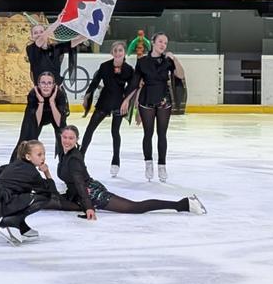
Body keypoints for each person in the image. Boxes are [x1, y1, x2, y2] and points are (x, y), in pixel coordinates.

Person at [54, 126, 206, 218]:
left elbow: (80, 184)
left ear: (76, 139)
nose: (67, 141)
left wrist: (88, 207)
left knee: (134, 207)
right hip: (77, 195)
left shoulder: (74, 159)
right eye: (65, 137)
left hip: (91, 194)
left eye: (71, 138)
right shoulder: (63, 152)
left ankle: (184, 204)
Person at [126, 33, 185, 182]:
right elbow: (134, 83)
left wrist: (175, 59)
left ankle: (162, 165)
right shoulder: (142, 61)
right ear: (152, 42)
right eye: (160, 41)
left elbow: (180, 75)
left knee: (162, 134)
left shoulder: (168, 61)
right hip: (147, 98)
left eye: (165, 43)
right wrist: (126, 100)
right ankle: (148, 163)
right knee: (148, 133)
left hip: (164, 99)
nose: (163, 45)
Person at [0, 140, 57, 245]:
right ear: (28, 157)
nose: (43, 157)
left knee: (29, 196)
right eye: (39, 154)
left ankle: (21, 226)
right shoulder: (31, 171)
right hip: (5, 203)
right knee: (44, 197)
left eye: (44, 154)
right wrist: (47, 172)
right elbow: (51, 191)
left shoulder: (19, 164)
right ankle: (9, 221)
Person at [82, 41, 135, 177]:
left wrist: (126, 102)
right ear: (112, 53)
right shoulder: (104, 66)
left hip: (119, 102)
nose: (118, 53)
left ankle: (115, 160)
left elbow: (133, 87)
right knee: (90, 128)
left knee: (115, 131)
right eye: (115, 50)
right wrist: (87, 96)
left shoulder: (129, 69)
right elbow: (95, 82)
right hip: (104, 101)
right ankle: (80, 156)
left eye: (120, 51)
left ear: (124, 53)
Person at [16, 71, 69, 159]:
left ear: (53, 85)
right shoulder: (33, 94)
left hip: (54, 114)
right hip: (38, 115)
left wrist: (52, 102)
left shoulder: (60, 95)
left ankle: (65, 164)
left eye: (49, 83)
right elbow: (36, 123)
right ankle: (17, 166)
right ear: (38, 85)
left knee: (63, 137)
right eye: (43, 83)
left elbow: (59, 123)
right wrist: (41, 102)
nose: (46, 86)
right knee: (25, 140)